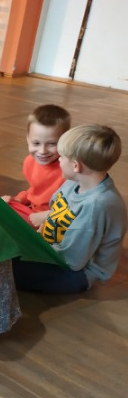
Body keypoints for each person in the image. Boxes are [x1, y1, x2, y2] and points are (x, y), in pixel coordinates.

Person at [13, 125, 126, 294]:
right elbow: (58, 210)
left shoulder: (96, 206)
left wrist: (32, 248)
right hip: (55, 248)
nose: (58, 161)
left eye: (62, 157)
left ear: (75, 166)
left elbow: (73, 260)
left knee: (5, 268)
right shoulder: (76, 181)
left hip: (77, 272)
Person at [1, 105, 71, 225]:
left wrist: (47, 216)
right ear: (28, 138)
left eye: (52, 144)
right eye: (36, 143)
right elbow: (34, 190)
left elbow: (76, 207)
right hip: (33, 213)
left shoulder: (70, 170)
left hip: (58, 220)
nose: (42, 151)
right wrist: (18, 199)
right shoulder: (30, 162)